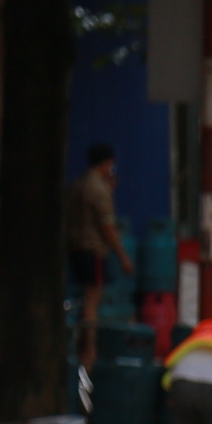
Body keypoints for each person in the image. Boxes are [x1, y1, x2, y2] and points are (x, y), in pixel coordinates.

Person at [68, 144, 134, 369]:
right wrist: (123, 256)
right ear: (106, 163)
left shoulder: (77, 185)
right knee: (91, 303)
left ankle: (78, 343)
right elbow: (107, 226)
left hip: (74, 249)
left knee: (81, 300)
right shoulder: (99, 189)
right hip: (94, 250)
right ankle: (89, 349)